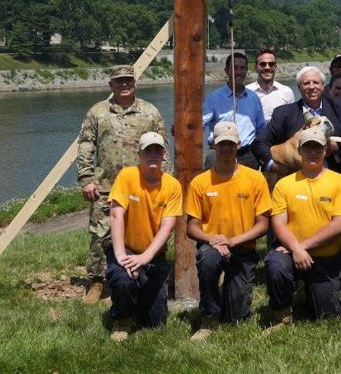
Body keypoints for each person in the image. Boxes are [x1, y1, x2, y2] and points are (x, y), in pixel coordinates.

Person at [77, 64, 167, 304]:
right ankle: (97, 281)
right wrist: (86, 178)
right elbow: (86, 145)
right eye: (119, 81)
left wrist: (163, 180)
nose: (125, 84)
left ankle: (141, 272)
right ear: (111, 85)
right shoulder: (97, 112)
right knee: (101, 233)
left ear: (135, 83)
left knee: (141, 231)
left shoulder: (151, 112)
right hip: (105, 185)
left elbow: (163, 149)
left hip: (141, 187)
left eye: (128, 80)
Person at [185, 121, 272, 341]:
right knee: (208, 262)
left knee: (236, 318)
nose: (226, 149)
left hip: (243, 248)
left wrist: (232, 241)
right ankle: (208, 318)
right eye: (222, 144)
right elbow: (191, 227)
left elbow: (263, 224)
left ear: (239, 145)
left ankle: (230, 294)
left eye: (230, 144)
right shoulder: (199, 182)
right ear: (213, 145)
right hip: (212, 246)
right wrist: (214, 240)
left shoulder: (255, 179)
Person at [264, 126, 341, 329]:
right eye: (308, 148)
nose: (313, 152)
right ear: (299, 151)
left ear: (325, 150)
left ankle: (308, 292)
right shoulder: (284, 184)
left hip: (326, 258)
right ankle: (282, 316)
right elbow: (278, 223)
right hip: (291, 254)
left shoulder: (340, 182)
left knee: (325, 317)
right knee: (276, 264)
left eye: (317, 148)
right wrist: (295, 249)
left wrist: (301, 247)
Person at [106, 132, 182, 342]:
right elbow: (116, 214)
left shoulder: (173, 186)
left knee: (155, 321)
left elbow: (167, 227)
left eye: (157, 150)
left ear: (164, 155)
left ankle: (138, 299)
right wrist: (121, 256)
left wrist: (145, 257)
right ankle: (122, 319)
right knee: (122, 279)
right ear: (139, 154)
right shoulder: (127, 176)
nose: (153, 154)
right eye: (148, 150)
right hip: (127, 248)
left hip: (154, 256)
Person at [253, 66, 341, 178]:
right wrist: (272, 165)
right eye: (306, 83)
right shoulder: (283, 114)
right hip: (297, 180)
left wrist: (336, 147)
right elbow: (259, 143)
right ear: (299, 87)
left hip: (336, 176)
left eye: (315, 82)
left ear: (323, 86)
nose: (311, 87)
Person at [203, 52, 268, 168]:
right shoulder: (213, 98)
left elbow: (261, 129)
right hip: (219, 152)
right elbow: (199, 124)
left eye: (242, 68)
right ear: (226, 70)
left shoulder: (254, 99)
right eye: (235, 68)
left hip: (248, 156)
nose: (238, 72)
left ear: (247, 71)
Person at [246, 49, 295, 122]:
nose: (267, 67)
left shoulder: (287, 92)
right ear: (256, 67)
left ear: (275, 67)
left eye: (271, 64)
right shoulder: (246, 92)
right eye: (263, 64)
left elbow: (292, 120)